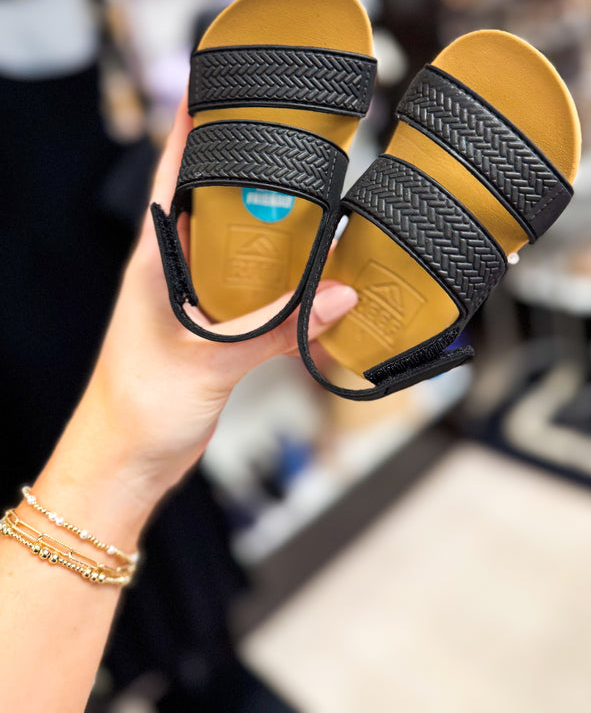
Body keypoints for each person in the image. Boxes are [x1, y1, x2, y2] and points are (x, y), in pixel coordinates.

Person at [0, 96, 359, 713]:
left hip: (88, 261)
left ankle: (198, 665)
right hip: (44, 316)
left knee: (152, 500)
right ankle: (186, 670)